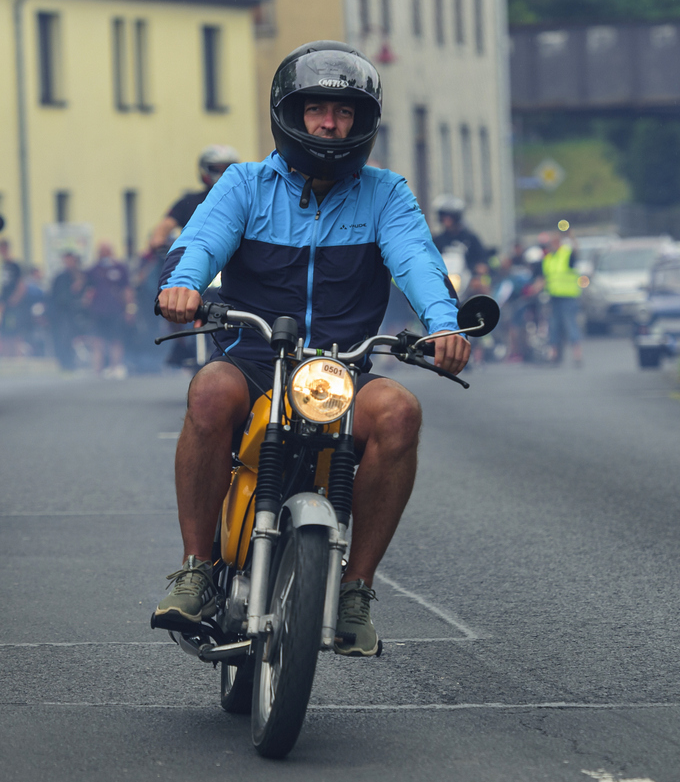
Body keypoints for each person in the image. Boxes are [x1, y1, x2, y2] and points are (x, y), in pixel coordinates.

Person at [152, 40, 466, 657]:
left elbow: (419, 263)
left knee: (401, 412)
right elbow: (201, 243)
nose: (330, 123)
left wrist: (443, 322)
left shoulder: (387, 193)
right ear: (288, 115)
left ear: (363, 122)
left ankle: (356, 590)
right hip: (255, 358)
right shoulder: (243, 184)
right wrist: (183, 286)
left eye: (345, 112)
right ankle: (196, 569)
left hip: (343, 367)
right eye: (317, 109)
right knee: (208, 391)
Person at [146, 144, 242, 254]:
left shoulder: (244, 201)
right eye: (215, 169)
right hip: (197, 258)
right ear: (204, 170)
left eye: (227, 168)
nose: (221, 174)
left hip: (236, 259)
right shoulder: (188, 202)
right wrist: (159, 239)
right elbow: (166, 224)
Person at [83, 241, 129, 377]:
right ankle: (98, 368)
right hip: (98, 310)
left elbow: (127, 289)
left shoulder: (120, 268)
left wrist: (129, 308)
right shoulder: (93, 270)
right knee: (97, 339)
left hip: (115, 309)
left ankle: (116, 367)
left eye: (106, 251)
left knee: (116, 339)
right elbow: (86, 289)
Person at [432, 196, 493, 294]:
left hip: (469, 280)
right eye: (444, 216)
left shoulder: (470, 238)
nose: (447, 219)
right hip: (444, 280)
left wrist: (480, 267)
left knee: (481, 289)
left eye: (450, 216)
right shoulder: (437, 240)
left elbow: (481, 257)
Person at [540, 229, 582, 366]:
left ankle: (577, 355)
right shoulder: (548, 259)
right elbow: (545, 277)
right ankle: (554, 355)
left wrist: (572, 237)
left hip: (568, 297)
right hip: (554, 297)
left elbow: (576, 252)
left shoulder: (566, 254)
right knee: (554, 326)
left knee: (570, 325)